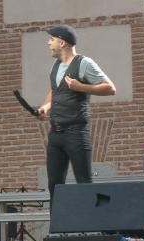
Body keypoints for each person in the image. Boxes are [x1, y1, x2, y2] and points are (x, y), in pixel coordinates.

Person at [37, 25, 116, 206]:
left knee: (84, 183)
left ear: (62, 42)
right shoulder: (55, 66)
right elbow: (55, 91)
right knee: (54, 185)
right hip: (56, 134)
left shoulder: (84, 63)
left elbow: (110, 88)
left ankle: (91, 228)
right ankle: (57, 231)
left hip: (76, 133)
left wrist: (81, 87)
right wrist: (45, 107)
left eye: (52, 39)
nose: (48, 42)